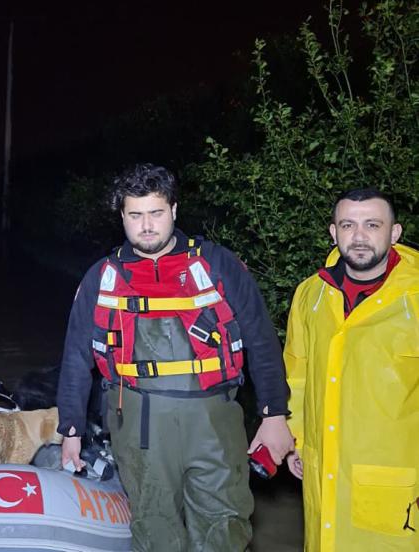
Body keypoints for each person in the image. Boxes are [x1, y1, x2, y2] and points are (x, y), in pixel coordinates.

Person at [57, 163, 295, 551]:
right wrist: (71, 430)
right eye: (136, 215)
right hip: (138, 424)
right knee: (155, 529)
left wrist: (274, 414)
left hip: (214, 421)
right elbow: (75, 357)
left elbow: (261, 339)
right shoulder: (102, 277)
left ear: (174, 210)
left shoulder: (216, 263)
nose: (146, 225)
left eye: (156, 213)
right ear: (122, 217)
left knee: (224, 527)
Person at [284, 188, 418, 551]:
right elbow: (297, 373)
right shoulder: (310, 294)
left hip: (398, 484)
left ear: (394, 233)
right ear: (333, 232)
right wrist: (296, 439)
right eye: (348, 225)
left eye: (372, 225)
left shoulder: (414, 297)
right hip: (323, 473)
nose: (359, 236)